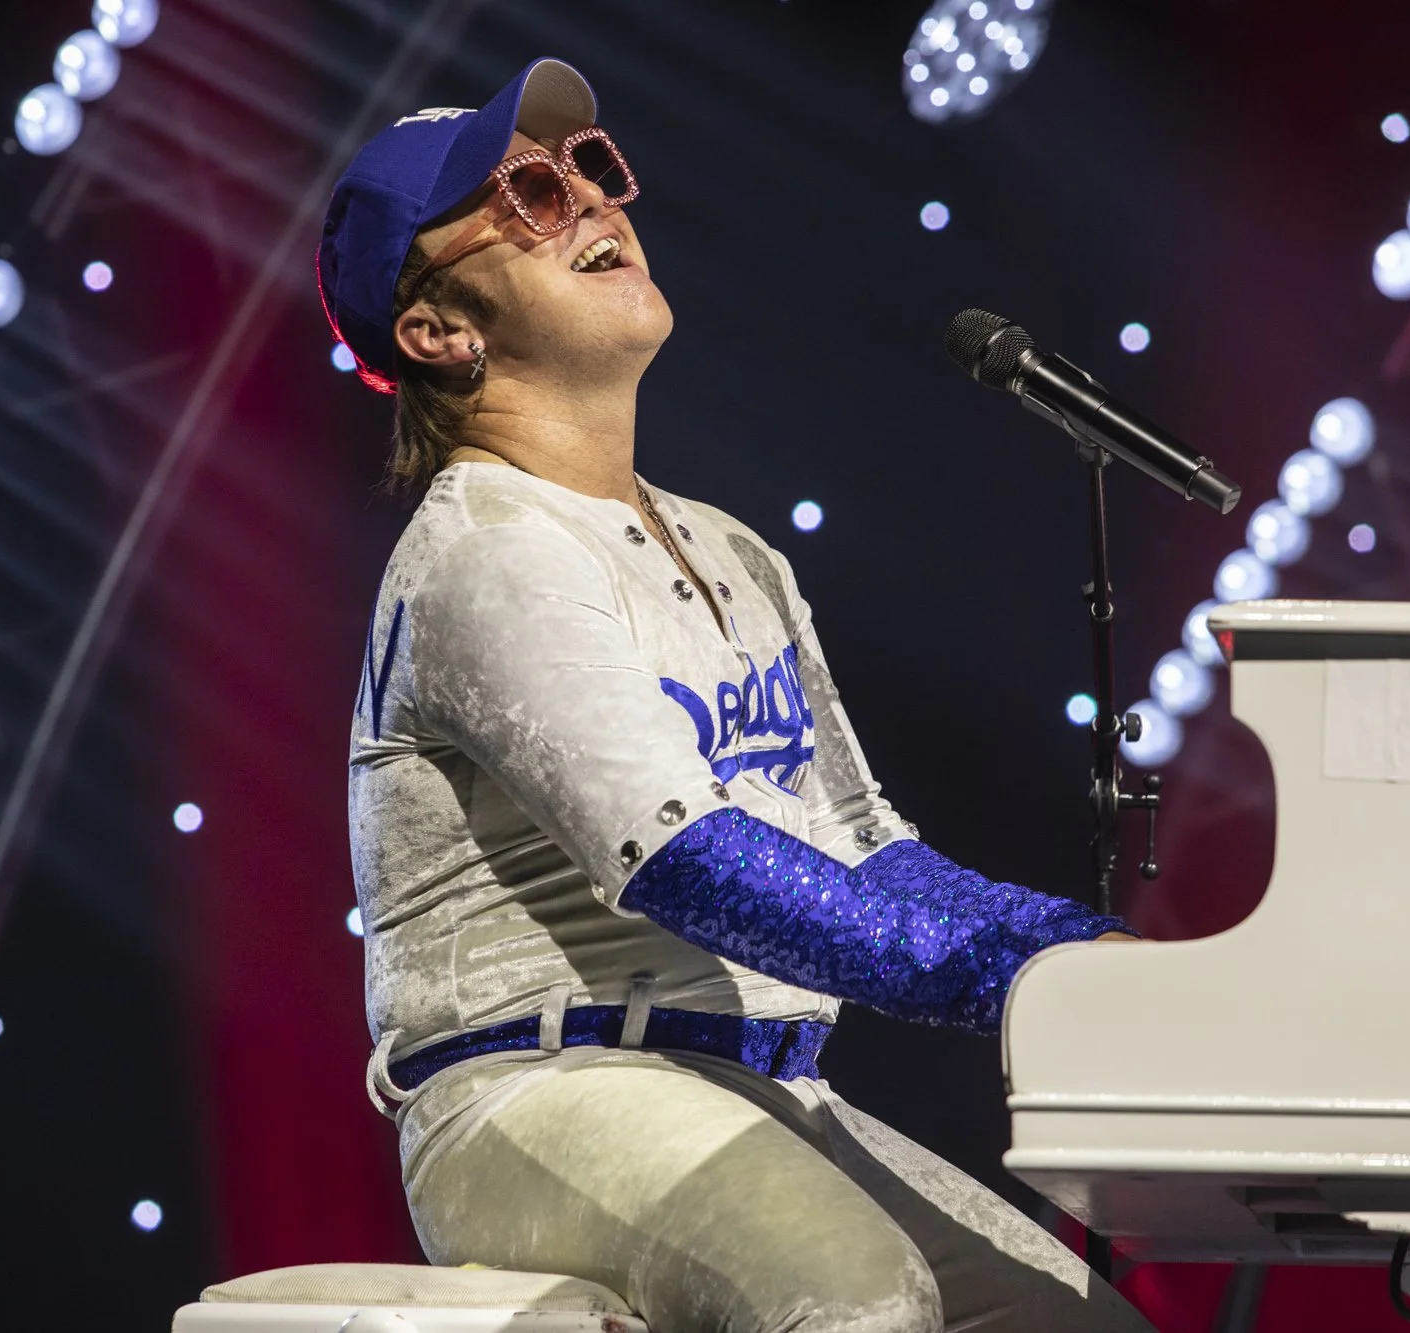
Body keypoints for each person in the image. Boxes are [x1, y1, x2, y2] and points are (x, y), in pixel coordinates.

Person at [322, 57, 1151, 1333]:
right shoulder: (487, 548)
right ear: (436, 331)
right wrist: (1011, 978)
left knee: (1078, 1321)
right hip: (534, 1095)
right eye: (527, 196)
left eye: (590, 171)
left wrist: (1088, 954)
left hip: (764, 1091)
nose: (589, 204)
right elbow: (688, 863)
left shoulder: (733, 550)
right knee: (853, 1300)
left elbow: (866, 847)